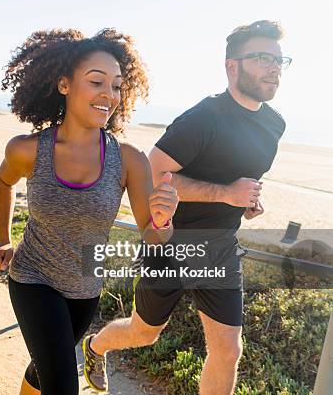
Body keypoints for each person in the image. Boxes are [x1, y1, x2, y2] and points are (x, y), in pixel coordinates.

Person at [83, 20, 290, 394]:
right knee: (143, 333)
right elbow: (151, 174)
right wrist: (227, 193)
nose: (274, 67)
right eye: (262, 58)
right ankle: (96, 346)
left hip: (220, 248)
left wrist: (247, 201)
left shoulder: (275, 125)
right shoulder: (204, 118)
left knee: (228, 350)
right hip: (170, 244)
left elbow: (241, 176)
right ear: (233, 66)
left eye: (279, 59)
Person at [0, 29, 179, 395]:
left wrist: (163, 218)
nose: (109, 94)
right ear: (64, 84)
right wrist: (3, 238)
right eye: (96, 82)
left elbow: (154, 236)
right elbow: (3, 183)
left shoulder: (129, 161)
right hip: (32, 279)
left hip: (85, 291)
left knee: (43, 370)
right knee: (62, 383)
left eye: (118, 86)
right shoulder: (27, 151)